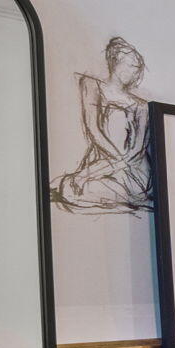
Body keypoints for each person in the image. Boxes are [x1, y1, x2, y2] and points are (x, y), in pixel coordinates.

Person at [51, 36, 152, 214]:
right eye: (130, 65)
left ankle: (131, 195)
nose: (135, 71)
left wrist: (87, 175)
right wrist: (91, 172)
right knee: (67, 186)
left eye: (137, 68)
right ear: (115, 62)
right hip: (101, 163)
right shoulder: (91, 86)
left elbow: (136, 151)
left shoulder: (141, 105)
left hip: (132, 172)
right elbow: (93, 129)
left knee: (72, 188)